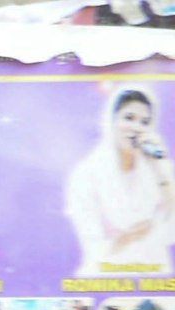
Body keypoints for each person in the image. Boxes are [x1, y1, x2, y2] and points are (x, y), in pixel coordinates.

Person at [67, 87, 172, 273]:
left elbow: (171, 230)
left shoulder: (158, 168)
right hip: (104, 277)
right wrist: (129, 236)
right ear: (112, 121)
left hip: (154, 276)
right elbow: (93, 243)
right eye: (129, 118)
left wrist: (160, 169)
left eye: (145, 122)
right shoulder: (86, 174)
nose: (137, 128)